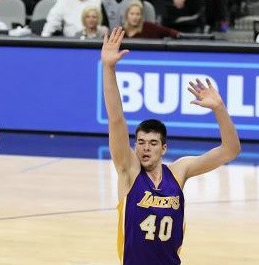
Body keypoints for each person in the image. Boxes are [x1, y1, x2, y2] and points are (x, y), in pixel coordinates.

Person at [101, 27, 240, 264]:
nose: (145, 148)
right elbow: (116, 119)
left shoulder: (178, 172)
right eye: (141, 143)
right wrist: (109, 68)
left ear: (163, 148)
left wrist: (219, 109)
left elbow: (230, 150)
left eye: (153, 143)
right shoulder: (129, 172)